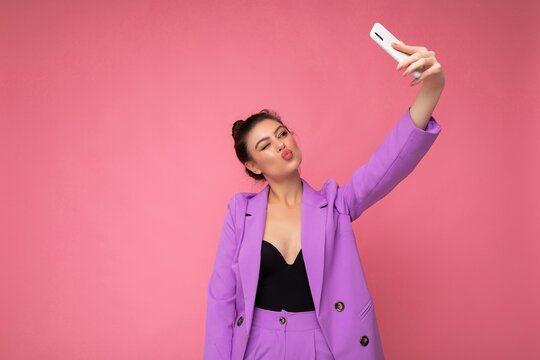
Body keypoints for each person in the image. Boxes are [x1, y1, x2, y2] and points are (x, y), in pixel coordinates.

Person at [204, 41, 445, 360]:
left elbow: (388, 163)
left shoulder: (336, 205)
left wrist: (433, 86)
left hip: (324, 344)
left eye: (281, 134)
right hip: (256, 347)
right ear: (253, 165)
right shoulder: (240, 211)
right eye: (265, 145)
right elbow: (221, 299)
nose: (279, 145)